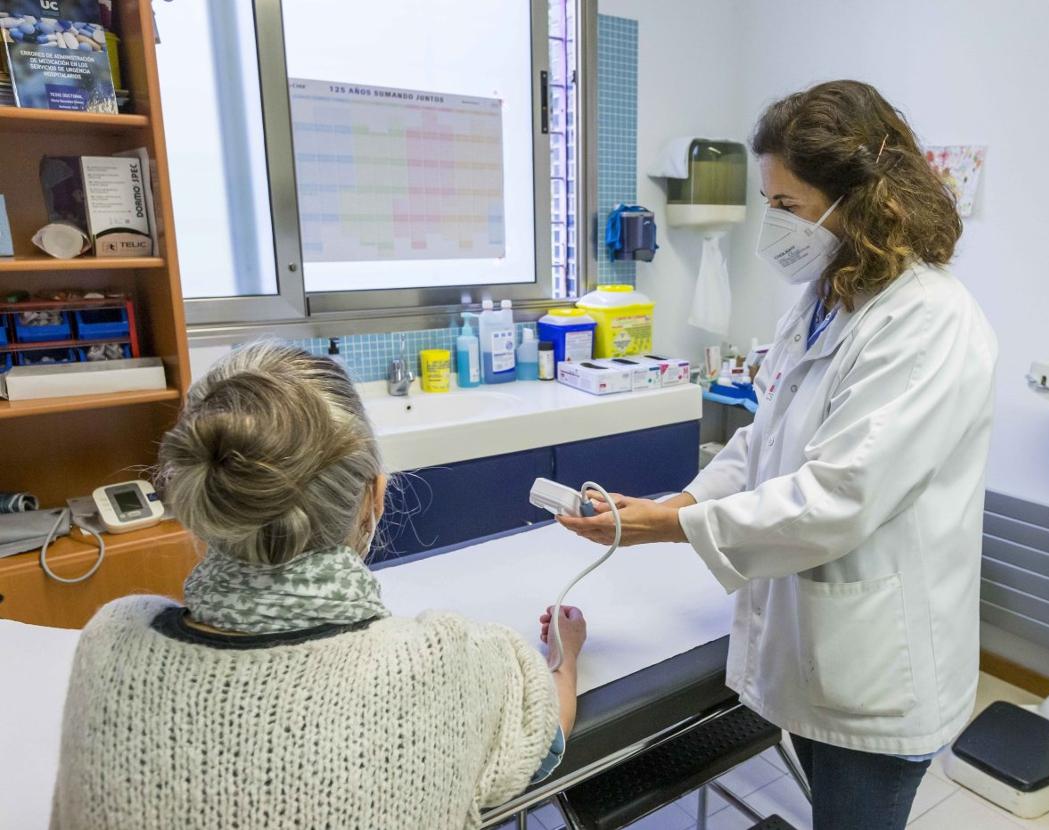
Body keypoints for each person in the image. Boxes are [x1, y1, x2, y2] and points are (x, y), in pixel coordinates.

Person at [558, 80, 997, 830]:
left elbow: (837, 496)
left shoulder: (928, 322)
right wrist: (675, 506)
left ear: (862, 199)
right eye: (770, 202)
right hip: (820, 641)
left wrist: (667, 530)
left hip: (878, 668)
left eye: (788, 205)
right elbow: (765, 437)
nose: (774, 226)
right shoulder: (831, 294)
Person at [50, 343, 586, 830]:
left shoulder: (110, 644)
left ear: (203, 503)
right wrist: (567, 657)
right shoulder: (448, 660)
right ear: (375, 497)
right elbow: (544, 734)